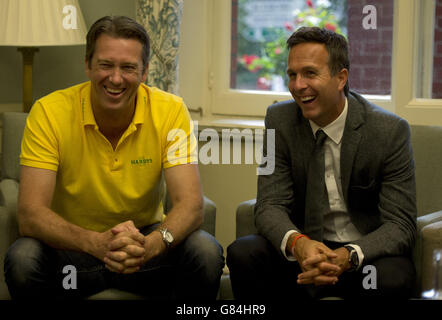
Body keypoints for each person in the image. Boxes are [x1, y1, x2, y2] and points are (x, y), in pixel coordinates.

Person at [4, 16, 224, 300]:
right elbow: (31, 215)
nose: (116, 78)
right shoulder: (49, 112)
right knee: (22, 259)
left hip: (144, 250)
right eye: (106, 65)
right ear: (88, 65)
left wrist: (152, 245)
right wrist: (95, 243)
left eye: (129, 67)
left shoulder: (170, 110)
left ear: (144, 72)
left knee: (206, 251)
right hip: (73, 252)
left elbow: (191, 204)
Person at [227, 27, 417, 300]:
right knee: (243, 253)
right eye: (292, 75)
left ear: (341, 78)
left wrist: (349, 256)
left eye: (310, 73)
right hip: (302, 256)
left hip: (362, 260)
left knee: (393, 277)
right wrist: (298, 244)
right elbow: (269, 204)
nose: (298, 85)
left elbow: (400, 224)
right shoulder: (278, 121)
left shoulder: (389, 131)